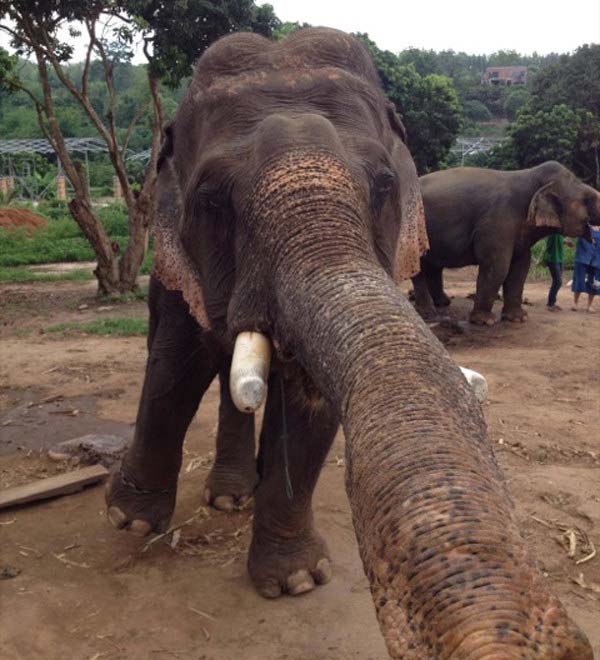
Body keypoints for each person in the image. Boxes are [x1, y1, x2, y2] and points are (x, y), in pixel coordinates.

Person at [572, 225, 600, 312]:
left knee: (594, 283)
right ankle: (575, 303)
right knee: (579, 280)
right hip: (582, 257)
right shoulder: (584, 226)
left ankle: (589, 305)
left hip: (597, 259)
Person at [544, 234, 571, 311]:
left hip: (559, 259)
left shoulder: (560, 233)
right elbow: (549, 243)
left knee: (556, 282)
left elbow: (560, 240)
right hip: (553, 259)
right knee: (558, 281)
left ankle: (552, 302)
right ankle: (550, 304)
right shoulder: (553, 232)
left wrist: (565, 242)